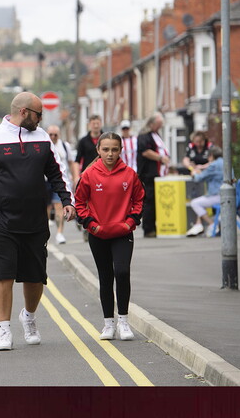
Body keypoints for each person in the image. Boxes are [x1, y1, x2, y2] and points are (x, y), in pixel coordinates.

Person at [0, 92, 75, 352]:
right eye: (38, 114)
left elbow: (58, 173)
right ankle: (4, 330)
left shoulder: (42, 138)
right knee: (3, 275)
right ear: (23, 112)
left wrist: (68, 200)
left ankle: (29, 318)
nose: (41, 119)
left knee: (35, 277)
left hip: (34, 218)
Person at [74, 132, 144, 341]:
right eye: (105, 149)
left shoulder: (130, 174)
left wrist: (130, 222)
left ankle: (123, 321)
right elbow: (79, 203)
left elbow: (139, 200)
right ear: (98, 151)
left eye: (114, 149)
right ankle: (108, 324)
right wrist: (92, 226)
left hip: (123, 233)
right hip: (99, 234)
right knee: (105, 277)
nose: (110, 154)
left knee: (122, 272)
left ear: (121, 150)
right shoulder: (89, 175)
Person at [136, 112, 169, 238]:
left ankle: (155, 226)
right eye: (158, 124)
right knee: (149, 201)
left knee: (155, 201)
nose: (159, 127)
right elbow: (145, 152)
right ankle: (148, 228)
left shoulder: (155, 134)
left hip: (157, 173)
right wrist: (161, 158)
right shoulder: (144, 135)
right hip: (148, 173)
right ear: (152, 123)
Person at [45, 124, 77, 244]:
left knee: (59, 206)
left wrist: (74, 178)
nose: (53, 137)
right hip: (44, 181)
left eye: (55, 135)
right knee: (46, 207)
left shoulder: (64, 146)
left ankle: (59, 233)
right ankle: (46, 233)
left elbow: (71, 163)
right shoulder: (44, 145)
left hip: (59, 181)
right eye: (51, 134)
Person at [186, 146, 225, 237]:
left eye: (208, 156)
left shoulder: (214, 165)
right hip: (231, 196)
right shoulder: (225, 163)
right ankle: (198, 224)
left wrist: (194, 173)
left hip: (218, 196)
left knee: (195, 203)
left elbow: (199, 178)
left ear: (212, 155)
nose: (208, 158)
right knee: (202, 199)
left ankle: (212, 224)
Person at [74, 115, 103, 182]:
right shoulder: (83, 141)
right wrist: (76, 177)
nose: (96, 126)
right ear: (89, 124)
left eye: (97, 124)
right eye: (93, 124)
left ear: (101, 124)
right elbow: (77, 160)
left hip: (103, 173)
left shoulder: (106, 139)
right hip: (87, 174)